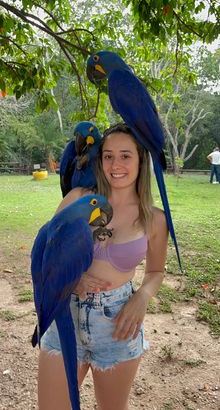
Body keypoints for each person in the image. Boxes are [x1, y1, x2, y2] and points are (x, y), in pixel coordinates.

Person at [38, 123, 168, 410]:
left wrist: (142, 297)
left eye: (125, 155)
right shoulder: (77, 199)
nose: (115, 164)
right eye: (108, 155)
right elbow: (45, 254)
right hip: (65, 316)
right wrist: (70, 281)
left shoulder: (155, 219)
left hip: (117, 324)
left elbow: (156, 272)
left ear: (140, 160)